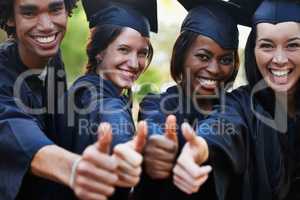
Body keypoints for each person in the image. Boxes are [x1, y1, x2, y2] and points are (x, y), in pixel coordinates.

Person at [170, 0, 300, 199]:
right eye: (266, 45)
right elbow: (223, 124)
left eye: (293, 45)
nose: (279, 59)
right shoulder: (241, 104)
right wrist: (201, 147)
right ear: (252, 51)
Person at [0, 0, 125, 199]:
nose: (47, 25)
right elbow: (14, 131)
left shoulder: (52, 59)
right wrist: (75, 168)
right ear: (10, 18)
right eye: (30, 13)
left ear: (67, 9)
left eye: (55, 9)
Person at [133, 0, 241, 199]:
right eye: (203, 56)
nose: (215, 69)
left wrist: (201, 146)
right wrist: (156, 143)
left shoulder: (237, 106)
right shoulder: (157, 103)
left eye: (225, 59)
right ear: (182, 55)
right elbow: (154, 122)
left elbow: (229, 125)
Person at [65, 0, 157, 198]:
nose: (134, 63)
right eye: (123, 49)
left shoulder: (80, 88)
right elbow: (110, 114)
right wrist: (125, 147)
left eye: (142, 53)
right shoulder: (99, 97)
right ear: (99, 52)